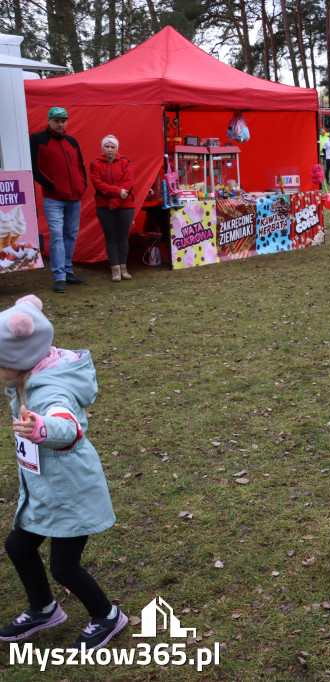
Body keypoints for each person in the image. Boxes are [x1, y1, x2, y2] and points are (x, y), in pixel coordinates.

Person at [0, 295, 127, 650]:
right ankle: (44, 608)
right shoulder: (32, 372)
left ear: (19, 359)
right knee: (18, 546)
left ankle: (107, 617)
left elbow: (67, 425)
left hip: (71, 491)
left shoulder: (52, 388)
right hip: (45, 487)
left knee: (64, 567)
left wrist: (44, 428)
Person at [29, 106, 88, 293]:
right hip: (53, 198)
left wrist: (82, 184)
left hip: (74, 197)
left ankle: (68, 271)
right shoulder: (38, 139)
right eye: (56, 120)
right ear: (49, 121)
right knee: (56, 234)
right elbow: (35, 169)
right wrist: (53, 186)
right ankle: (59, 276)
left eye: (63, 120)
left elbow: (80, 166)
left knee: (71, 234)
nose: (60, 124)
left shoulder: (72, 141)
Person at [88, 135, 135, 282]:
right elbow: (98, 184)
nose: (109, 149)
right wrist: (117, 193)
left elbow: (128, 183)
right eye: (107, 147)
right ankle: (115, 270)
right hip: (103, 206)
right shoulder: (95, 164)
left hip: (125, 206)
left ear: (117, 149)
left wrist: (114, 202)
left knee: (122, 237)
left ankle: (123, 269)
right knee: (110, 237)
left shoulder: (126, 163)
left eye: (112, 147)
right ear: (102, 148)